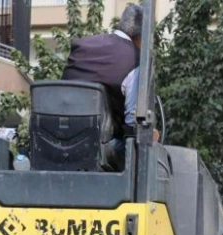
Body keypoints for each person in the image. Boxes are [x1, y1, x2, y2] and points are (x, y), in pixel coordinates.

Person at [61, 5, 157, 171]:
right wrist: (151, 134)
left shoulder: (81, 46)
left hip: (57, 137)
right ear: (141, 37)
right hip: (98, 148)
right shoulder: (135, 60)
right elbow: (132, 123)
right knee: (142, 143)